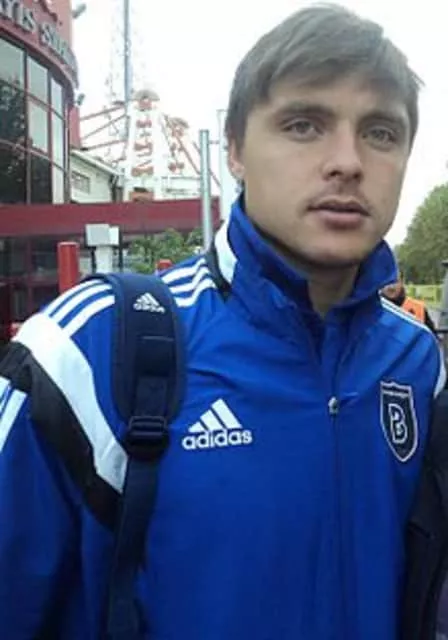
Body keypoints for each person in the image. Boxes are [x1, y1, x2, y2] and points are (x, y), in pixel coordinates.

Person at [0, 5, 445, 639]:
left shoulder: (418, 362)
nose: (347, 161)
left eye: (380, 132)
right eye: (303, 125)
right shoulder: (90, 351)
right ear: (234, 149)